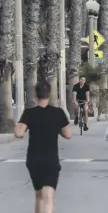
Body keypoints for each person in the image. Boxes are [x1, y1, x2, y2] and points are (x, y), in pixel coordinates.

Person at [14, 81, 72, 213]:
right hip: (50, 159)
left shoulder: (29, 113)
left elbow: (18, 133)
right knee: (48, 198)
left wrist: (22, 126)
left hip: (33, 160)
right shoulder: (58, 113)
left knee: (39, 196)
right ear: (50, 94)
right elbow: (68, 134)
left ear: (35, 94)